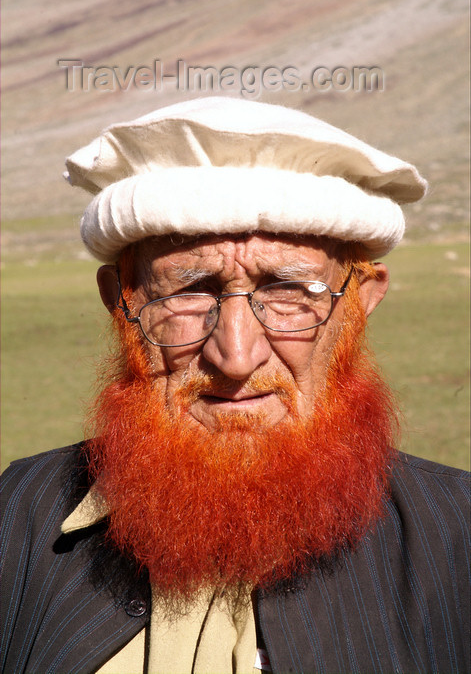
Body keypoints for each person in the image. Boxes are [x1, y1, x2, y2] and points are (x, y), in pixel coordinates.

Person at [1, 97, 469, 674]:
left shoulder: (458, 535)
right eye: (187, 291)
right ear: (119, 303)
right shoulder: (20, 515)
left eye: (288, 290)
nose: (236, 357)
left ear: (361, 304)